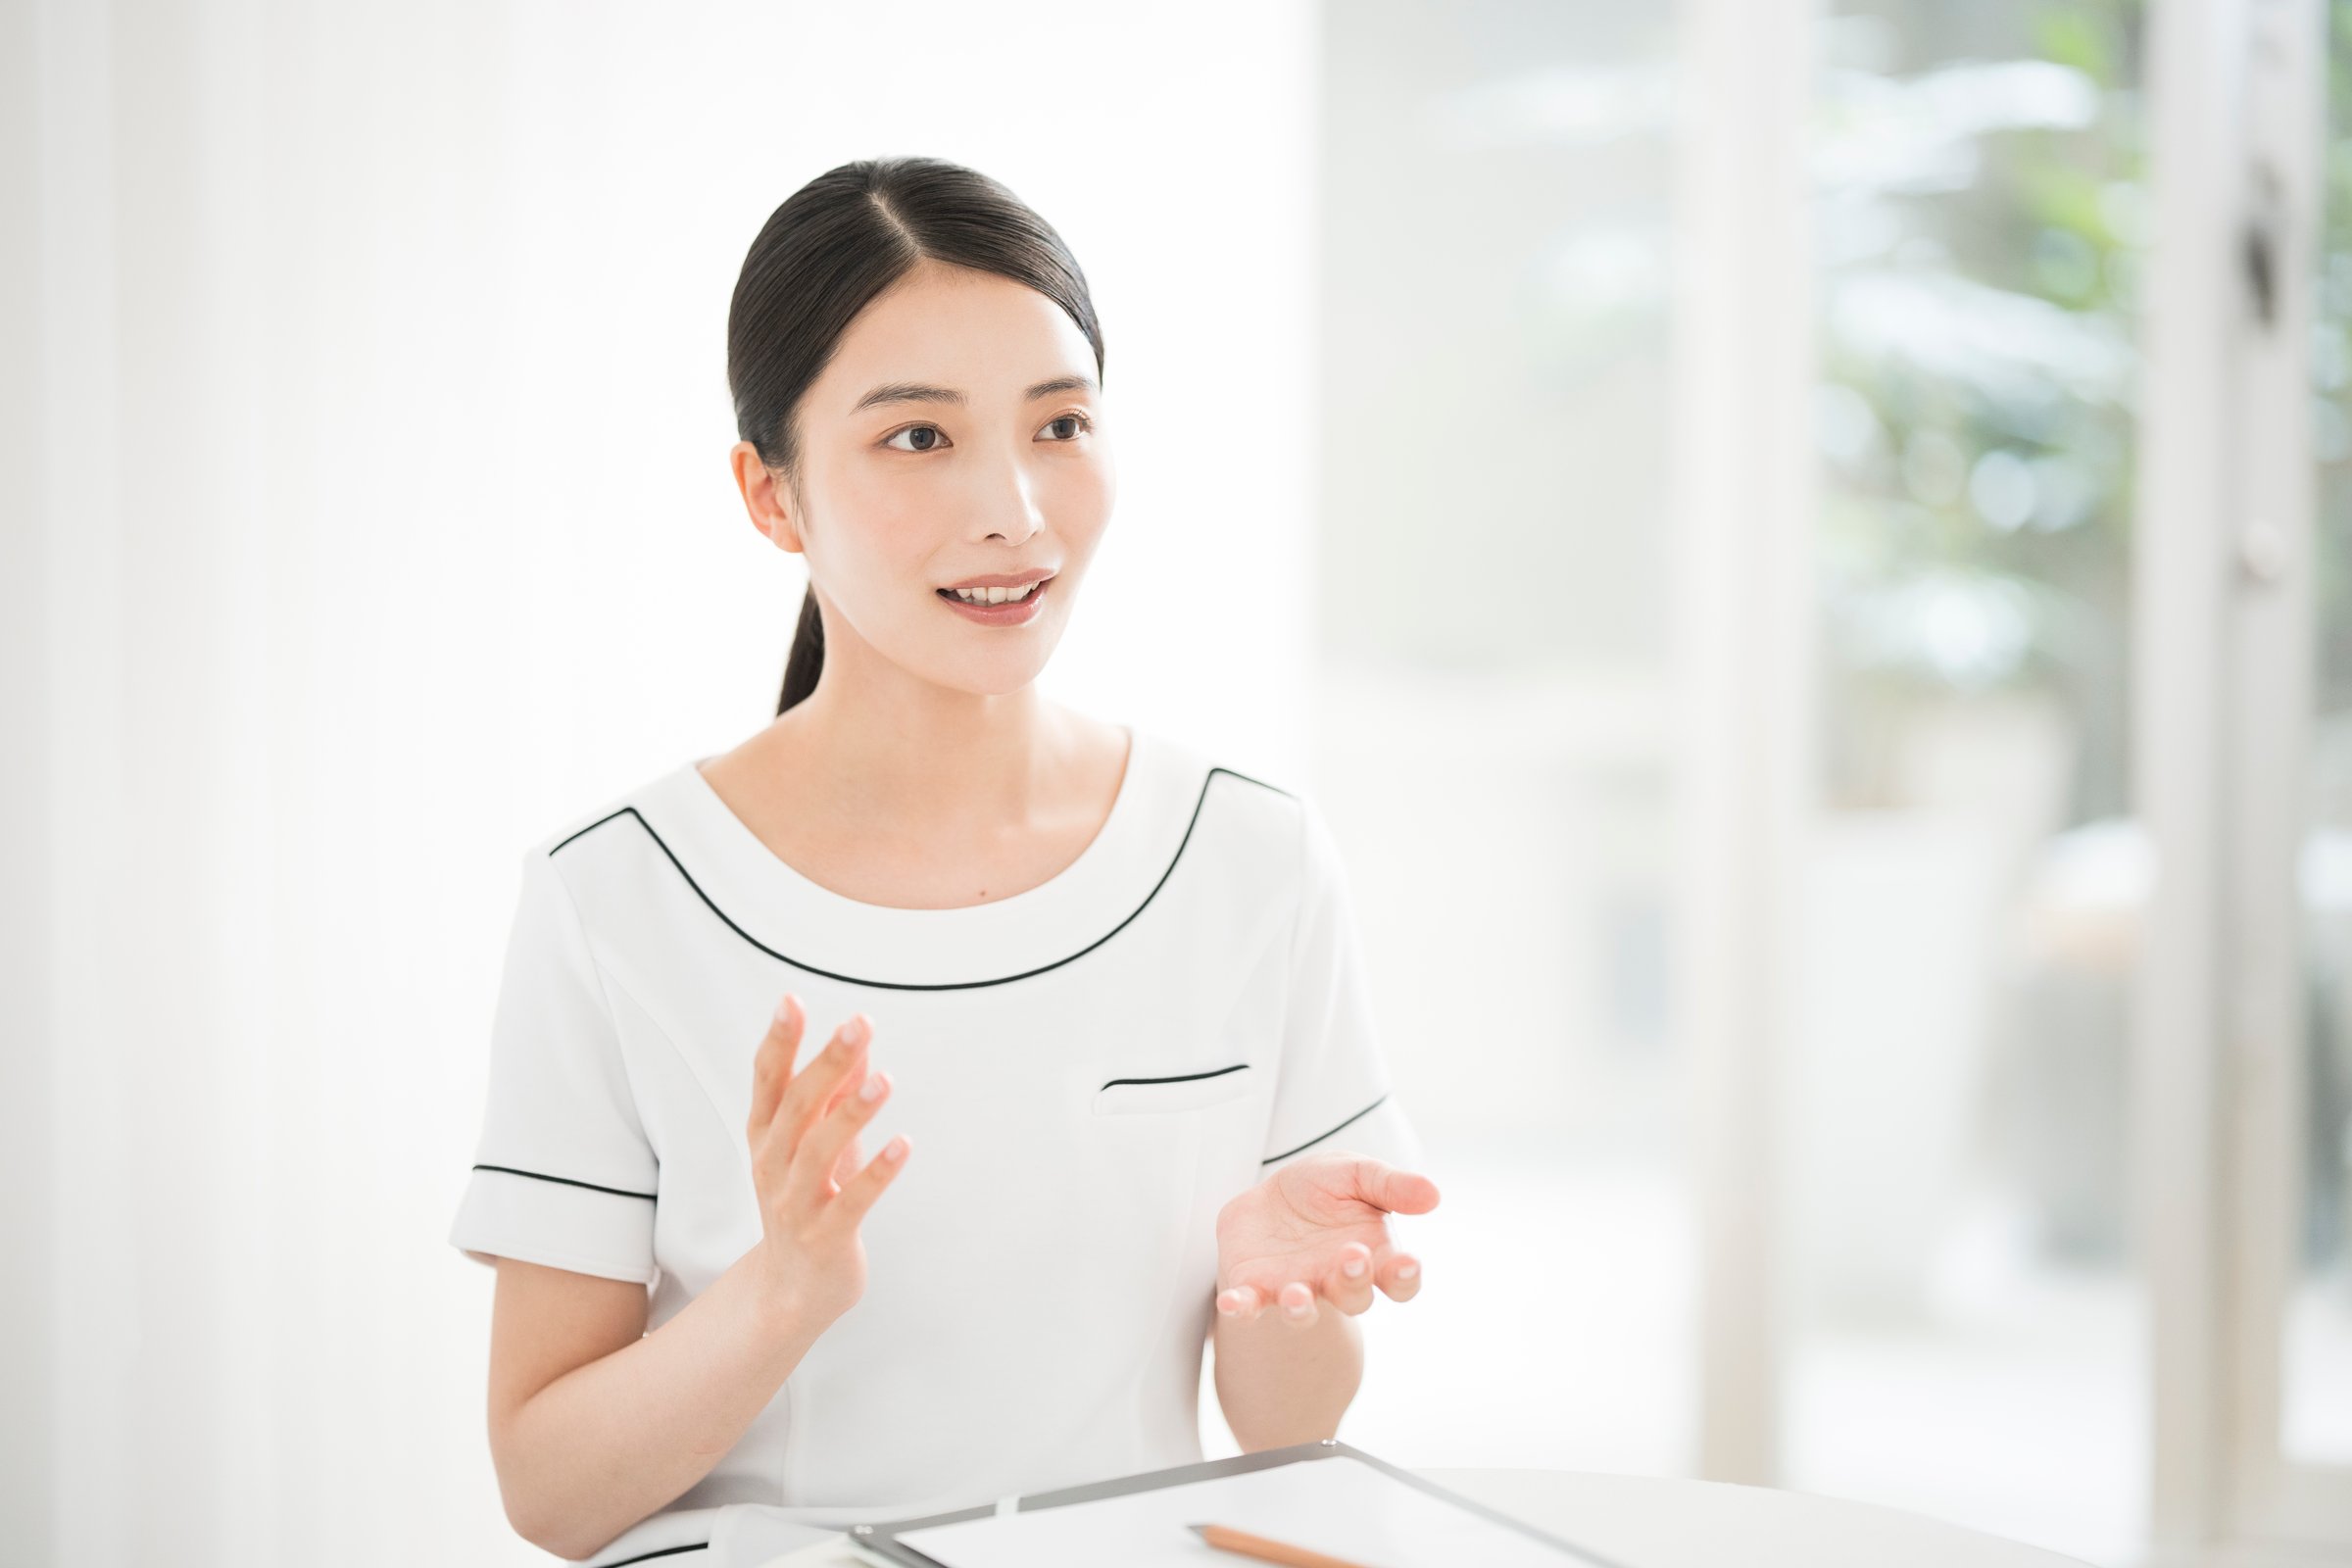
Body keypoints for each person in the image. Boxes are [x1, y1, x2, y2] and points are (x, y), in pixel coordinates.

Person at [446, 155, 1442, 1568]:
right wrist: (781, 1292)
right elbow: (550, 1491)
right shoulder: (619, 897)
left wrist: (1274, 1302)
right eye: (918, 438)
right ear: (770, 495)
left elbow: (1286, 1441)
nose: (1017, 512)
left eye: (1061, 425)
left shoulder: (1247, 857)